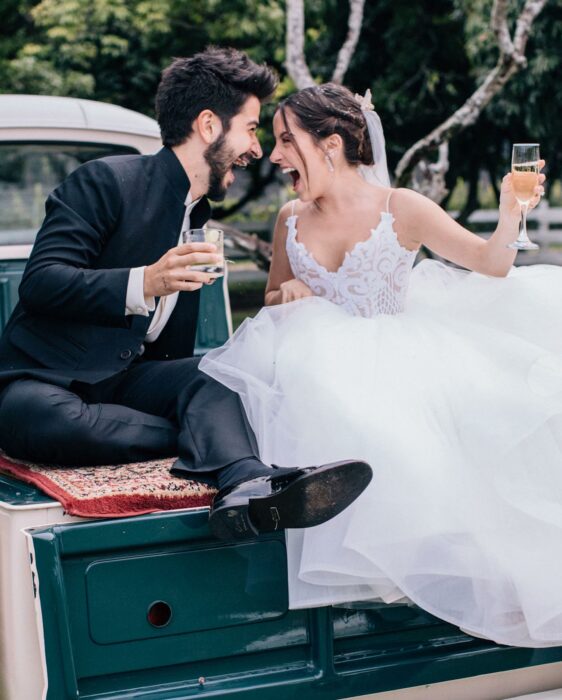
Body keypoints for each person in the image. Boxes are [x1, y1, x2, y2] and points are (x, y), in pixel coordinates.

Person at [199, 82, 562, 648]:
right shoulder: (289, 218)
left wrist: (514, 210)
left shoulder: (401, 208)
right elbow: (270, 296)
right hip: (314, 362)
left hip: (401, 358)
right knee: (322, 398)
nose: (273, 156)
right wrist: (290, 289)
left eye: (286, 140)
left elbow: (491, 263)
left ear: (332, 144)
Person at [0, 51, 373, 541]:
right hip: (41, 382)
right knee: (50, 419)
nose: (257, 150)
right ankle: (217, 444)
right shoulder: (105, 181)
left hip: (129, 384)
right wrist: (144, 282)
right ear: (208, 125)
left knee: (218, 375)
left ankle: (246, 486)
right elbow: (42, 281)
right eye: (252, 128)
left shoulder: (197, 217)